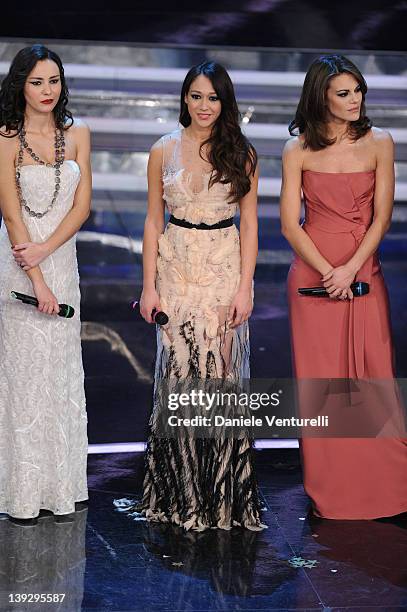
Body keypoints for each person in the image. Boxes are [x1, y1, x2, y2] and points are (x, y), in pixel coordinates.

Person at [115, 61, 264, 530]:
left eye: (213, 97)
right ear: (185, 98)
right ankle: (180, 498)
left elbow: (252, 224)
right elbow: (153, 221)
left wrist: (245, 287)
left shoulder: (242, 153)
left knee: (219, 379)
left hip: (223, 268)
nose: (204, 106)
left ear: (225, 102)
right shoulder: (162, 150)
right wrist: (148, 286)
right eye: (196, 96)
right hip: (175, 269)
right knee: (178, 378)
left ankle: (221, 499)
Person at [280, 54, 407, 519]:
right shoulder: (297, 151)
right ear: (321, 97)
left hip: (362, 269)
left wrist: (351, 268)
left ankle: (386, 484)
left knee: (372, 376)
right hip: (313, 276)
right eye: (343, 93)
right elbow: (290, 225)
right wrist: (328, 272)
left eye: (358, 91)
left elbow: (383, 217)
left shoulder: (380, 143)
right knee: (322, 387)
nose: (354, 100)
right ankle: (332, 488)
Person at [0, 45, 91, 520]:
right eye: (37, 82)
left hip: (61, 260)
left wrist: (48, 250)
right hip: (20, 266)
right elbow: (12, 215)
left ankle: (59, 486)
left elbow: (81, 206)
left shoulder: (77, 135)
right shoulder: (5, 138)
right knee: (25, 376)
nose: (47, 91)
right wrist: (36, 277)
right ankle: (22, 492)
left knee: (58, 373)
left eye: (53, 81)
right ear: (21, 85)